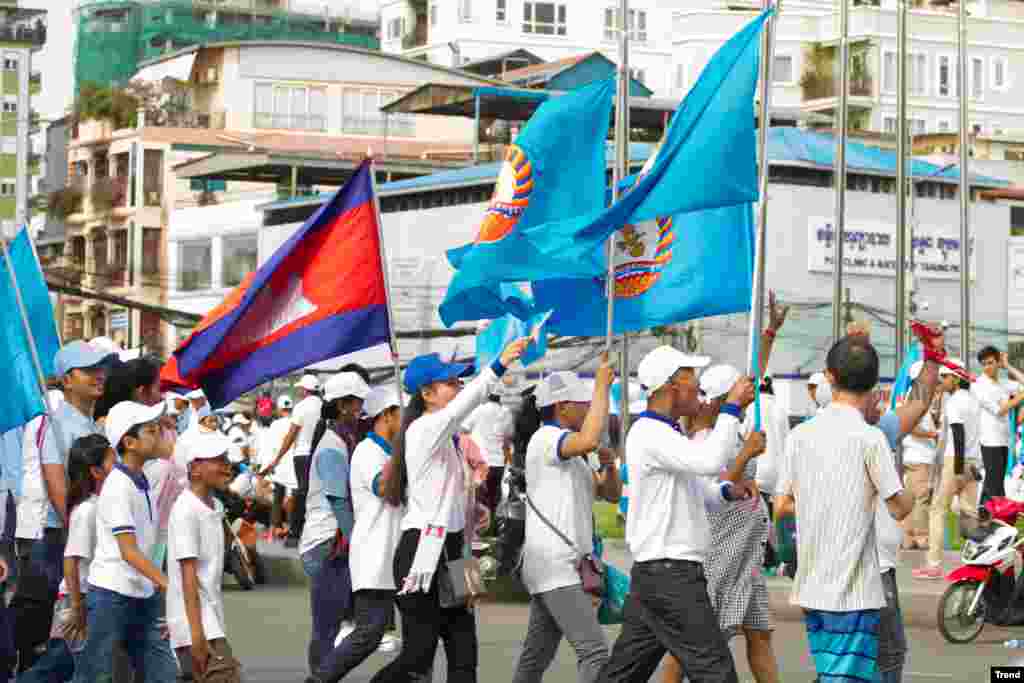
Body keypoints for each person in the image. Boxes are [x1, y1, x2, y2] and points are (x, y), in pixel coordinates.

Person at [597, 345, 761, 683]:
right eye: (692, 381)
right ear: (672, 388)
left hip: (658, 574)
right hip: (671, 575)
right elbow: (709, 462)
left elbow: (701, 491)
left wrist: (729, 491)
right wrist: (730, 407)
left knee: (624, 673)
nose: (697, 390)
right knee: (716, 671)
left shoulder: (666, 433)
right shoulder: (650, 433)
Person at [373, 339, 529, 683]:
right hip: (422, 553)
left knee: (464, 652)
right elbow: (464, 405)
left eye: (460, 381)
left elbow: (451, 503)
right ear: (427, 393)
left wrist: (474, 510)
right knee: (418, 655)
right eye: (451, 382)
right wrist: (499, 364)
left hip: (457, 549)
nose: (458, 387)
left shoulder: (452, 439)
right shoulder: (424, 428)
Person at [775, 337, 913, 683]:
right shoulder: (869, 438)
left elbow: (782, 505)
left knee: (835, 671)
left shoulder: (799, 436)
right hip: (853, 590)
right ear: (875, 384)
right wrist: (915, 491)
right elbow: (898, 507)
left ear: (829, 376)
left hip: (812, 585)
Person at [512, 360, 621, 683]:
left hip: (560, 566)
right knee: (595, 652)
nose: (589, 407)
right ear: (562, 406)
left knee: (536, 656)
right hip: (556, 565)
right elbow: (588, 440)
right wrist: (602, 386)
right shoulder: (546, 439)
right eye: (584, 402)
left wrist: (610, 466)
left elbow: (610, 494)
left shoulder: (572, 450)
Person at [14, 341, 113, 673]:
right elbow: (61, 495)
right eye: (89, 371)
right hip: (56, 542)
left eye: (102, 369)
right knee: (42, 638)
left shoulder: (94, 427)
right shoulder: (54, 425)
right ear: (67, 380)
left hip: (88, 541)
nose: (100, 376)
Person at [73, 401, 177, 683]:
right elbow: (128, 551)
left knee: (162, 672)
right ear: (129, 442)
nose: (159, 436)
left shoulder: (141, 479)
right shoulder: (118, 486)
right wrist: (168, 584)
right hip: (112, 594)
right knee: (96, 675)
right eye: (151, 431)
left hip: (143, 592)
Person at [310, 387, 403, 683]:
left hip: (399, 555)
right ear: (387, 416)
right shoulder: (367, 452)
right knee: (368, 634)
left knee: (419, 638)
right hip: (375, 555)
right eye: (403, 413)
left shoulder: (387, 451)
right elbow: (385, 490)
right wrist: (405, 455)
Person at [18, 433, 115, 683]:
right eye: (112, 461)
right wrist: (77, 606)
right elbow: (71, 561)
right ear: (95, 471)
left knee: (63, 668)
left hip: (89, 600)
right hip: (78, 600)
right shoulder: (87, 510)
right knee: (54, 668)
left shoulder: (101, 504)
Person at [299, 372, 370, 681]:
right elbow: (339, 501)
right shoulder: (332, 446)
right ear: (342, 406)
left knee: (331, 624)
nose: (361, 410)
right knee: (326, 626)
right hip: (327, 541)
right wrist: (358, 541)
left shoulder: (342, 440)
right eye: (357, 404)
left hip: (332, 541)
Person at [167, 431, 243, 683]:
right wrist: (197, 634)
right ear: (195, 469)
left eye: (226, 460)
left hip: (209, 618)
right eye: (218, 460)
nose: (227, 467)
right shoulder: (186, 510)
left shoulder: (214, 507)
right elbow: (188, 577)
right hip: (196, 623)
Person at [914, 360, 982, 580]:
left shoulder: (954, 402)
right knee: (969, 512)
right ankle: (978, 563)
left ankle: (933, 565)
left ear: (955, 378)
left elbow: (958, 433)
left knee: (937, 509)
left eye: (944, 376)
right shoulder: (973, 401)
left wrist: (959, 468)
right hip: (974, 460)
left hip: (957, 461)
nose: (941, 381)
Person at [263, 375, 323, 549]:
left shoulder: (302, 407)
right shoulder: (323, 406)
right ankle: (312, 531)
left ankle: (296, 533)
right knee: (315, 492)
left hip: (302, 455)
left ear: (304, 390)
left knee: (301, 493)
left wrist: (278, 458)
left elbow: (291, 435)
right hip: (319, 453)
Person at [972, 346, 1024, 503]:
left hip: (1003, 439)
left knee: (995, 481)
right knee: (995, 484)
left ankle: (984, 516)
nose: (987, 367)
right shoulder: (979, 385)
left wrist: (1007, 365)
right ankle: (994, 516)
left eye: (991, 362)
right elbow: (999, 410)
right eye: (984, 364)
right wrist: (1021, 396)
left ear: (997, 362)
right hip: (989, 440)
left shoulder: (1002, 383)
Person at [900, 361, 941, 550]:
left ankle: (907, 537)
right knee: (922, 499)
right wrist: (933, 434)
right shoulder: (918, 398)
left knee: (910, 498)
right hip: (920, 455)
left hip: (913, 455)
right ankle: (921, 537)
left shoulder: (912, 396)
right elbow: (912, 426)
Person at [462, 392, 514, 527]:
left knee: (479, 498)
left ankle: (479, 531)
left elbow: (464, 429)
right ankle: (493, 529)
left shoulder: (479, 410)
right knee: (494, 498)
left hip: (481, 462)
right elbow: (507, 438)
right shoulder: (506, 413)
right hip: (498, 462)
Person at [260, 396, 297, 540]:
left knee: (278, 497)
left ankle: (272, 531)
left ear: (279, 408)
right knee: (291, 498)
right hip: (294, 466)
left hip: (280, 465)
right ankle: (290, 530)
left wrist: (266, 468)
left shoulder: (275, 425)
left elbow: (270, 448)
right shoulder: (296, 422)